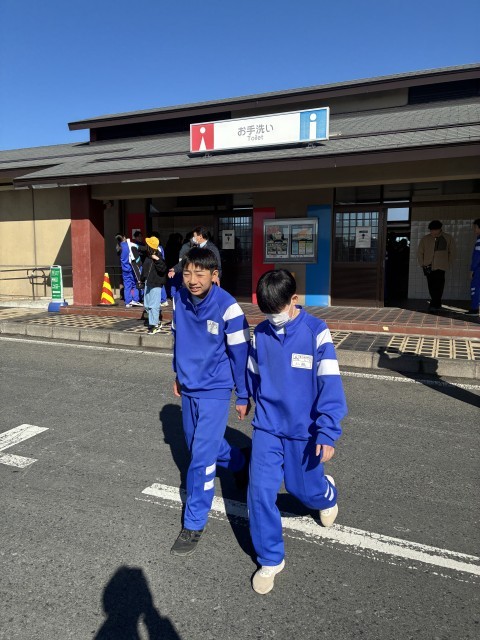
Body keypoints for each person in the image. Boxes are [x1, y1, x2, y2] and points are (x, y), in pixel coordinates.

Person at [247, 269, 347, 595]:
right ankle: (270, 559)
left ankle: (326, 494)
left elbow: (329, 382)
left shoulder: (316, 331)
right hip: (267, 426)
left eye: (277, 310)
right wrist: (244, 398)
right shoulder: (260, 333)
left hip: (304, 430)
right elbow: (252, 373)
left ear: (294, 300)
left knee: (301, 488)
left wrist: (327, 430)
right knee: (259, 492)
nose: (272, 318)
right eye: (266, 311)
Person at [170, 247, 250, 557]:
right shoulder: (179, 299)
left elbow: (241, 355)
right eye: (187, 273)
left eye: (200, 273)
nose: (192, 279)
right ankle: (241, 462)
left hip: (216, 389)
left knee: (201, 460)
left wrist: (243, 394)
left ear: (214, 275)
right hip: (189, 386)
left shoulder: (228, 307)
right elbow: (177, 338)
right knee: (199, 446)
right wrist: (177, 373)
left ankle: (193, 523)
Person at [417, 220, 455, 311]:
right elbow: (420, 252)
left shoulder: (447, 237)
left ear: (439, 229)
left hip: (441, 266)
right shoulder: (425, 239)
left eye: (434, 230)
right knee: (431, 285)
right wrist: (422, 264)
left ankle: (434, 303)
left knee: (439, 286)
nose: (432, 232)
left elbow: (452, 252)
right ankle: (436, 303)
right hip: (428, 266)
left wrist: (448, 263)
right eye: (431, 230)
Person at [141, 236, 168, 334]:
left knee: (154, 305)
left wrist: (156, 259)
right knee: (147, 305)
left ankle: (155, 325)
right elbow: (145, 269)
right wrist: (141, 280)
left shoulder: (158, 256)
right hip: (148, 283)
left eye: (147, 245)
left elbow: (163, 268)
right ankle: (156, 322)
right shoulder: (147, 256)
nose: (146, 246)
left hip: (156, 283)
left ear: (150, 247)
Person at [118, 233, 142, 308]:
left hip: (124, 269)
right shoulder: (129, 245)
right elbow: (139, 248)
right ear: (124, 237)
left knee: (127, 286)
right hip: (131, 268)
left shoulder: (119, 246)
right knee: (135, 284)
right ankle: (135, 299)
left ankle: (128, 302)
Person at [466, 218, 480, 315]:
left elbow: (477, 257)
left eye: (475, 227)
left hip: (478, 269)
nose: (474, 229)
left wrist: (472, 270)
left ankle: (475, 309)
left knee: (475, 288)